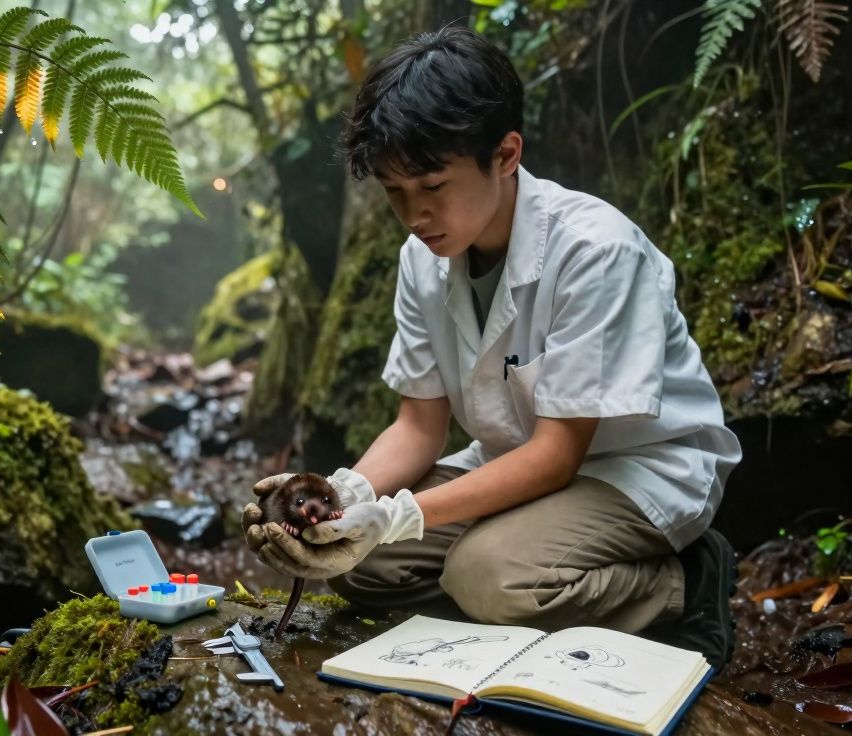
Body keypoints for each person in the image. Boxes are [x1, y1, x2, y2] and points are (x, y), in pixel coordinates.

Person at [242, 27, 743, 671]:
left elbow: (559, 455)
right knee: (362, 569)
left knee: (490, 577)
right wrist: (341, 500)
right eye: (395, 192)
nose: (414, 215)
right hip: (517, 460)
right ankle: (524, 572)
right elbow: (418, 425)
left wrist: (395, 516)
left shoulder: (595, 251)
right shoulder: (422, 261)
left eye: (432, 185)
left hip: (636, 469)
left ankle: (681, 584)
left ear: (505, 155)